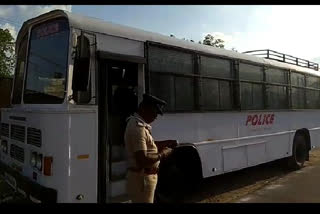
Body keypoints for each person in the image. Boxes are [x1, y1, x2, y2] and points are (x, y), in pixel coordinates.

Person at [125, 94, 178, 203]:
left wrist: (166, 143)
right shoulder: (137, 128)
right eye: (154, 112)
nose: (156, 117)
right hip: (142, 180)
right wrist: (163, 154)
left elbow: (148, 146)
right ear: (144, 109)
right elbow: (143, 159)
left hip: (143, 178)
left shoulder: (139, 125)